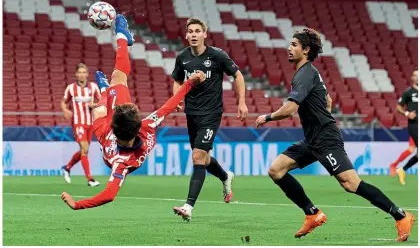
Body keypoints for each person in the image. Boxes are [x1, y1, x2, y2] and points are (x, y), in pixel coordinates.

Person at [255, 28, 415, 241]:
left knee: (351, 184)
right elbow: (328, 101)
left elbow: (290, 109)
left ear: (306, 49)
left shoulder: (304, 74)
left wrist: (267, 117)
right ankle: (312, 214)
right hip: (313, 138)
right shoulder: (309, 72)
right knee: (277, 170)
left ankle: (401, 215)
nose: (289, 48)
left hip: (326, 139)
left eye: (294, 45)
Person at [61, 14, 206, 210]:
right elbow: (169, 106)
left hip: (107, 140)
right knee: (117, 80)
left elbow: (108, 195)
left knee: (99, 109)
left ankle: (106, 88)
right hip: (119, 138)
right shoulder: (144, 130)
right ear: (137, 123)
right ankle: (121, 40)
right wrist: (190, 83)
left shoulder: (115, 149)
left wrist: (78, 204)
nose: (136, 109)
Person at [171, 18, 248, 221]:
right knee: (203, 160)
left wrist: (241, 102)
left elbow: (238, 76)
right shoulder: (182, 57)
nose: (194, 34)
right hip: (191, 113)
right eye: (190, 31)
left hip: (211, 114)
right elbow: (178, 80)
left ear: (205, 34)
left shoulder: (217, 55)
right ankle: (225, 176)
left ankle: (188, 206)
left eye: (198, 31)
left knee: (197, 157)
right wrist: (177, 99)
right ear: (186, 35)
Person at [61, 63, 101, 187]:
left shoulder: (93, 87)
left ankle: (67, 167)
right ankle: (90, 179)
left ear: (87, 74)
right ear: (76, 74)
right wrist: (65, 110)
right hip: (78, 122)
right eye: (80, 72)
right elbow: (63, 102)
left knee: (84, 150)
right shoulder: (71, 88)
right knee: (84, 147)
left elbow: (101, 102)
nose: (82, 75)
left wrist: (93, 105)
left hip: (90, 123)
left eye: (84, 72)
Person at [395, 69, 418, 185]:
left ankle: (402, 169)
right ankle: (402, 169)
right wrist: (407, 114)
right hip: (415, 125)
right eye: (415, 75)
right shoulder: (408, 92)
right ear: (412, 78)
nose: (417, 77)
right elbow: (398, 107)